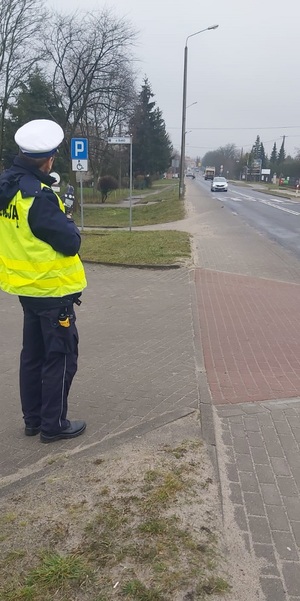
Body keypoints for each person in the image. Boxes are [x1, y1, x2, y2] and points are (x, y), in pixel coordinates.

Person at [0, 119, 87, 443]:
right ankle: (54, 425)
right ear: (48, 160)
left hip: (26, 290)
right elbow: (70, 242)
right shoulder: (37, 197)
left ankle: (33, 420)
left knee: (32, 356)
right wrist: (69, 221)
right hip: (52, 292)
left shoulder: (7, 188)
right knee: (61, 358)